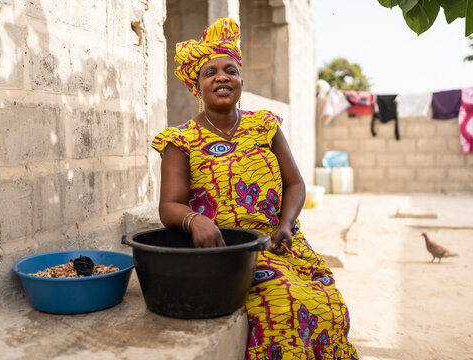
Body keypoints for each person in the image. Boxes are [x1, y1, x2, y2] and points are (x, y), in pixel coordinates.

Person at [151, 17, 359, 360]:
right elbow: (169, 205)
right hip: (228, 250)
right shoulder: (180, 140)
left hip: (277, 241)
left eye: (230, 70)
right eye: (210, 72)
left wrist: (285, 225)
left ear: (241, 81)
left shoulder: (265, 126)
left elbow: (295, 184)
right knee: (286, 305)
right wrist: (195, 221)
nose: (221, 77)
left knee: (328, 302)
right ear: (197, 86)